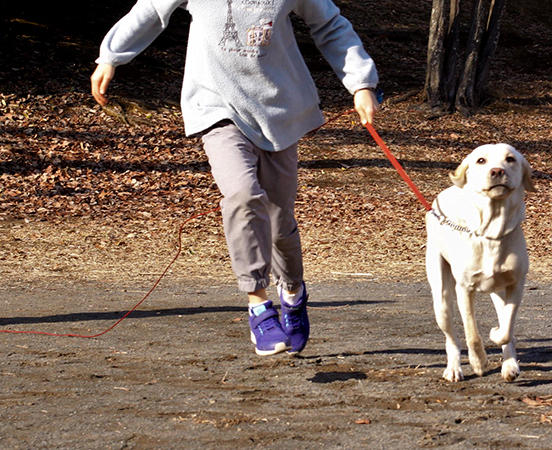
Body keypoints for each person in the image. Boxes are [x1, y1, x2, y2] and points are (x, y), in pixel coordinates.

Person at [90, 0, 379, 356]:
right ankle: (259, 307)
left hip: (279, 110)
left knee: (278, 220)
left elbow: (330, 24)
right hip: (216, 107)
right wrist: (111, 56)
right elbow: (151, 9)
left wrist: (361, 83)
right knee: (242, 195)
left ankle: (292, 291)